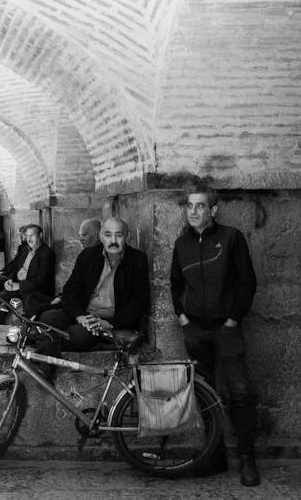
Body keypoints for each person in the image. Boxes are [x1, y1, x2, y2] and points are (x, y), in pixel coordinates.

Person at [170, 184, 260, 486]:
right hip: (195, 330)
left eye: (200, 206)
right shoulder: (181, 243)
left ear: (213, 210)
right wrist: (182, 318)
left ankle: (247, 458)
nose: (193, 211)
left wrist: (233, 319)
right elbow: (174, 284)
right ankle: (215, 456)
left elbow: (247, 282)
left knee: (239, 391)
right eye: (189, 206)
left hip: (226, 329)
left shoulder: (231, 238)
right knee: (206, 394)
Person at [35, 217, 149, 370]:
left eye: (119, 235)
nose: (113, 240)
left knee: (77, 337)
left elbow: (140, 302)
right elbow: (70, 291)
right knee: (48, 317)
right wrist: (80, 316)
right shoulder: (87, 256)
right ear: (101, 237)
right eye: (108, 235)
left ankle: (43, 367)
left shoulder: (138, 260)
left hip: (110, 321)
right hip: (84, 314)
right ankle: (45, 354)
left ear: (127, 237)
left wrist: (109, 323)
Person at [0, 224, 55, 324]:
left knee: (29, 303)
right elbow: (16, 267)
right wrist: (11, 280)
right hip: (20, 286)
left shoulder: (47, 253)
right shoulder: (25, 250)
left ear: (40, 235)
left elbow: (41, 280)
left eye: (32, 235)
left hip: (35, 290)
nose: (29, 239)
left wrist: (19, 286)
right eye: (27, 235)